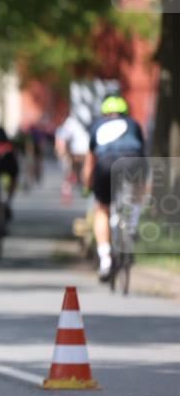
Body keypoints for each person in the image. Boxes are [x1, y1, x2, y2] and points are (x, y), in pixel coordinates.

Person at [82, 95, 147, 281]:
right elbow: (142, 153)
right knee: (137, 192)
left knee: (102, 208)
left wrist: (88, 185)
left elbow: (90, 161)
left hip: (106, 164)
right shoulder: (134, 124)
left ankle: (105, 260)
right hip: (132, 161)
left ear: (104, 113)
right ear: (125, 112)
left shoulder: (97, 126)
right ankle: (132, 225)